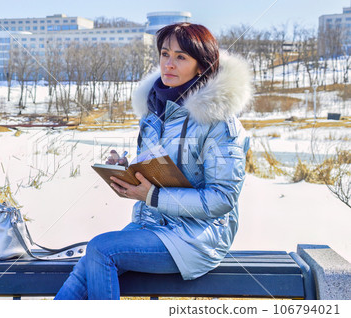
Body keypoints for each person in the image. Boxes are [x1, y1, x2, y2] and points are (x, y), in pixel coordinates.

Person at [54, 23, 252, 300]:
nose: (168, 64)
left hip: (197, 238)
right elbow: (159, 170)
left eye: (181, 57)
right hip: (152, 226)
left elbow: (222, 198)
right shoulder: (154, 113)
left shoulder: (218, 123)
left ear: (201, 66)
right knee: (88, 264)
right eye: (164, 54)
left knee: (101, 249)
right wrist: (126, 171)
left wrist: (153, 196)